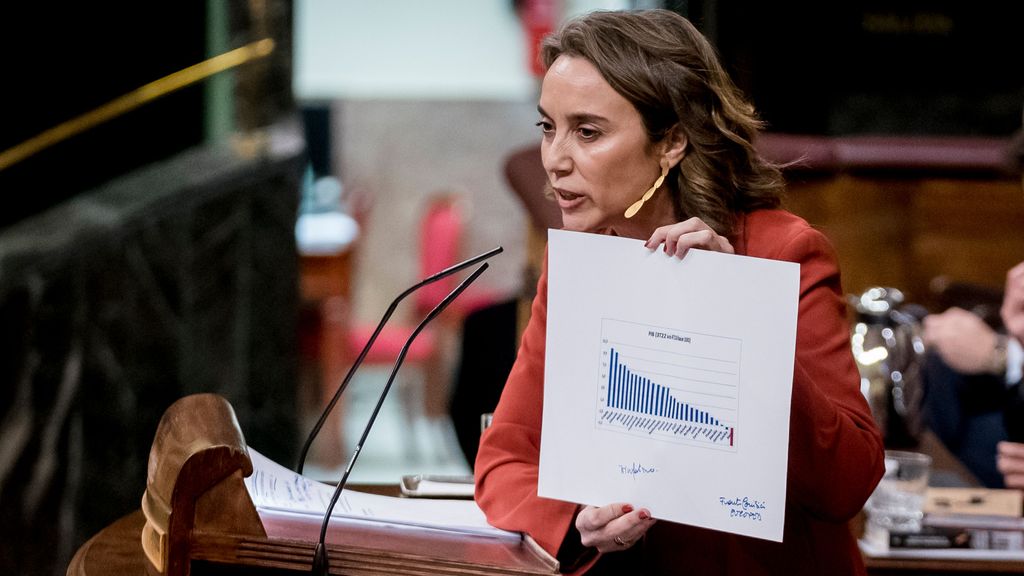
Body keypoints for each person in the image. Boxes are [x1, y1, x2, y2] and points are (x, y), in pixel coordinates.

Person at [473, 9, 884, 575]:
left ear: (671, 142)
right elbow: (506, 459)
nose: (555, 160)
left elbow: (848, 483)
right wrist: (574, 521)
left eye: (587, 132)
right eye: (548, 127)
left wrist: (738, 317)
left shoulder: (783, 250)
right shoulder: (577, 266)